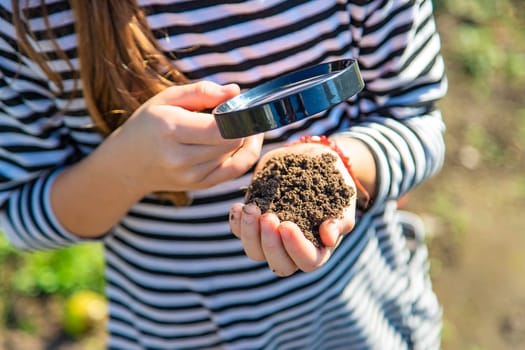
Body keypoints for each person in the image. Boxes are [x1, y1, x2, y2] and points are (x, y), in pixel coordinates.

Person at [0, 0, 447, 349]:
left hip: (356, 320)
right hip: (173, 333)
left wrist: (342, 161)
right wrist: (127, 168)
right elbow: (18, 213)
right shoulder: (31, 20)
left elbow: (418, 116)